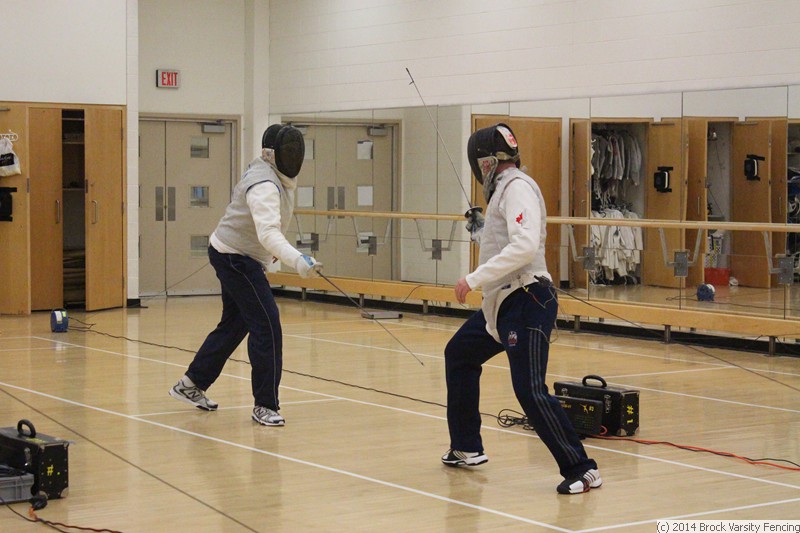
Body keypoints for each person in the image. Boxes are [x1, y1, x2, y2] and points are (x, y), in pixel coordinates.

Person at [441, 123, 602, 494]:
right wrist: (481, 230)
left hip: (527, 301)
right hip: (502, 304)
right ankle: (467, 447)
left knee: (529, 389)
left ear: (484, 161)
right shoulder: (503, 190)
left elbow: (525, 246)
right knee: (460, 354)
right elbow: (504, 243)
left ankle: (583, 469)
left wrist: (473, 278)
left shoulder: (517, 187)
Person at [169, 124, 322, 426]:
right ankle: (265, 405)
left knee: (235, 324)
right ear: (272, 154)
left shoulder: (272, 175)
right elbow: (268, 232)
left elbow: (266, 229)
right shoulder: (264, 184)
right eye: (288, 151)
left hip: (234, 252)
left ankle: (191, 383)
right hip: (235, 258)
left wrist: (270, 253)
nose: (294, 156)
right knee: (267, 326)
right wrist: (297, 259)